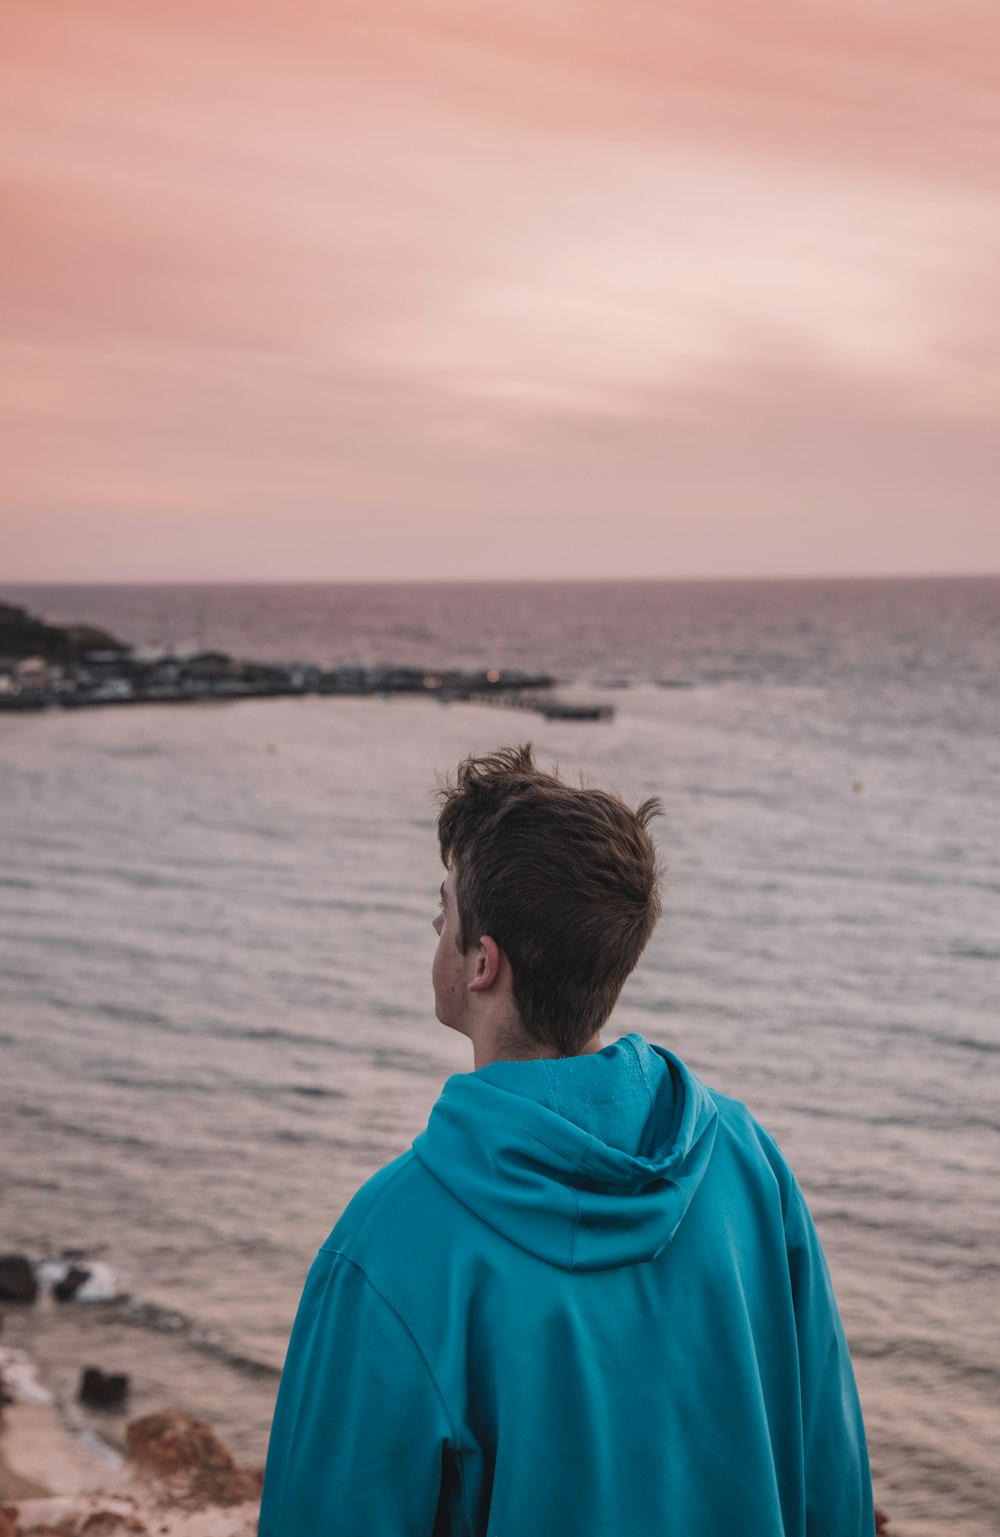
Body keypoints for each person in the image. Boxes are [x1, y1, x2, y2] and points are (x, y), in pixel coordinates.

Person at [259, 744, 881, 1536]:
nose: (438, 925)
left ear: (483, 963)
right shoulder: (750, 1167)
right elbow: (834, 1484)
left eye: (442, 909)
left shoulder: (387, 1250)